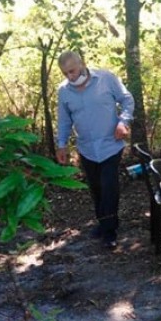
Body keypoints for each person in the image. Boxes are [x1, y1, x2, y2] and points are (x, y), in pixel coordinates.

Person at [56, 51, 134, 249]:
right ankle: (103, 222)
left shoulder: (106, 79)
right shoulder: (64, 91)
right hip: (87, 148)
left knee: (109, 186)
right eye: (65, 73)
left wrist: (123, 122)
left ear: (81, 64)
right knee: (96, 188)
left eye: (72, 71)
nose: (70, 76)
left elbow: (127, 100)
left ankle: (110, 231)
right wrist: (62, 144)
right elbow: (64, 120)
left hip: (111, 144)